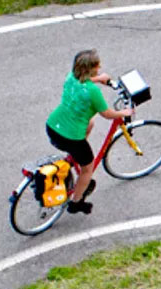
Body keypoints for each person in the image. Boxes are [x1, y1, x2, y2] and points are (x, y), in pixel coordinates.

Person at [44, 48, 132, 215]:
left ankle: (74, 157)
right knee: (87, 169)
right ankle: (76, 203)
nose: (100, 67)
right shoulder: (93, 92)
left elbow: (84, 80)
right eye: (97, 66)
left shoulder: (71, 77)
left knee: (90, 122)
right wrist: (123, 113)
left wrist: (99, 79)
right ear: (91, 68)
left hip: (53, 126)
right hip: (71, 137)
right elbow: (107, 114)